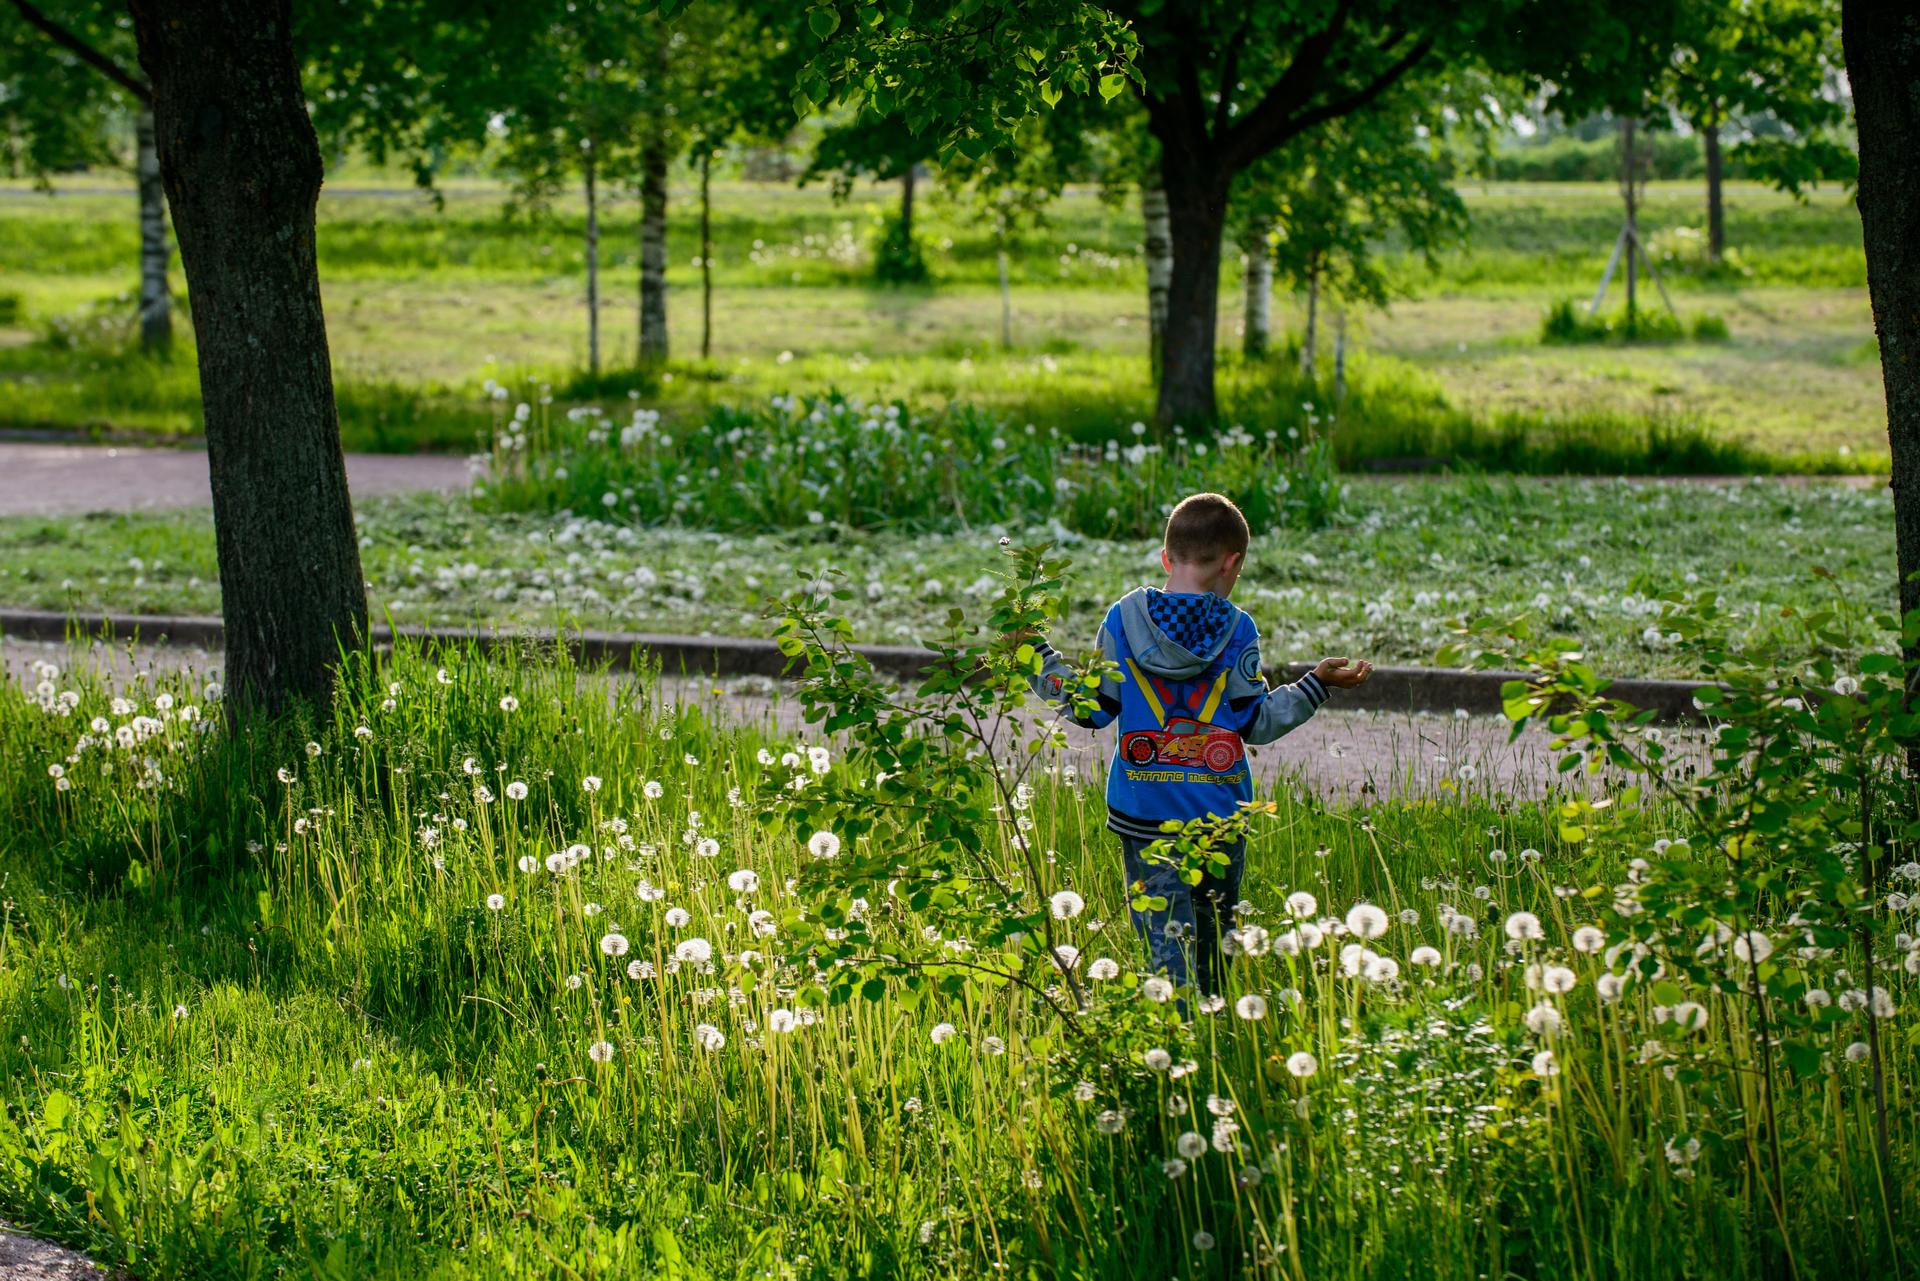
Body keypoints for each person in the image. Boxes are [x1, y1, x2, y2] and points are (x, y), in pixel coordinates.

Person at [1024, 491, 1372, 993]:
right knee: (1215, 945)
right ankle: (1210, 1038)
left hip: (1147, 818)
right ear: (1233, 563)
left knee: (1167, 952)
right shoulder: (1238, 630)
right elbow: (1257, 722)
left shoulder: (1123, 620)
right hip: (1220, 818)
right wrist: (1315, 684)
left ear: (1167, 558)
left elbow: (1092, 707)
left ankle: (1174, 1046)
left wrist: (1036, 653)